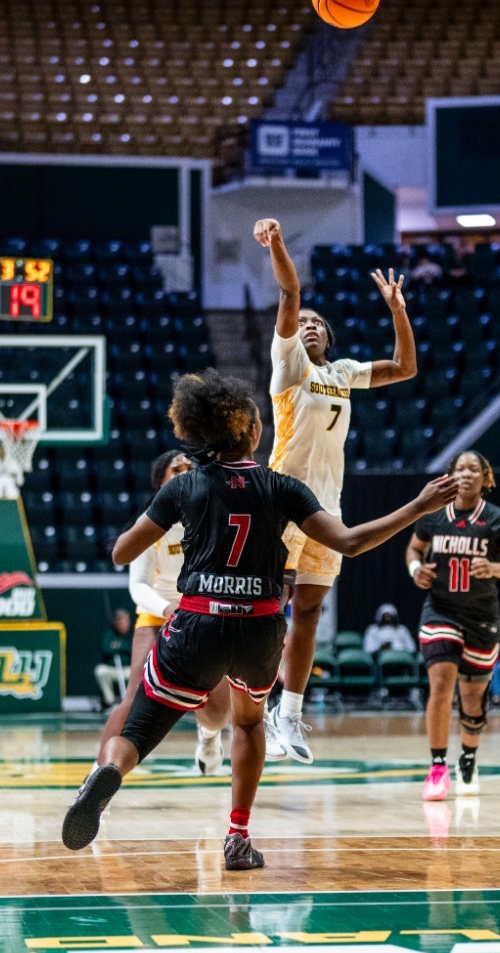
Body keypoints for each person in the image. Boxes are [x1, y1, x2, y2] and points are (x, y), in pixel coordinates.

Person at [66, 369, 452, 870]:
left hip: (197, 622)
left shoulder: (185, 487)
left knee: (140, 724)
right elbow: (352, 542)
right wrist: (418, 506)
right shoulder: (282, 487)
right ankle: (238, 838)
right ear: (251, 432)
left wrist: (167, 510)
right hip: (259, 628)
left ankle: (111, 770)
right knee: (248, 725)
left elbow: (121, 553)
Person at [255, 216, 418, 765]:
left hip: (326, 508)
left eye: (318, 323)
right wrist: (278, 242)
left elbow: (404, 367)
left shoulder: (344, 372)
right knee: (269, 610)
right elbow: (289, 290)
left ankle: (291, 713)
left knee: (310, 614)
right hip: (281, 501)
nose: (308, 326)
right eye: (300, 323)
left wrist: (397, 311)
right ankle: (258, 707)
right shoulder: (289, 369)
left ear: (330, 335)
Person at [406, 451, 500, 799]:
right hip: (440, 611)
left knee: (473, 701)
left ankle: (469, 757)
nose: (467, 474)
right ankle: (438, 767)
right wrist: (416, 571)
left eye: (475, 469)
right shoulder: (432, 517)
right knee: (441, 685)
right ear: (451, 475)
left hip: (482, 618)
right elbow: (414, 550)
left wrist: (495, 568)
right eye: (461, 468)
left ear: (485, 477)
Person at [118, 449, 234, 777]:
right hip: (158, 613)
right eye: (176, 468)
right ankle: (106, 773)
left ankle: (209, 736)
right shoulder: (150, 523)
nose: (185, 470)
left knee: (218, 710)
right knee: (134, 695)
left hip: (205, 613)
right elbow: (137, 586)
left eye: (189, 465)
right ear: (161, 483)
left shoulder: (218, 515)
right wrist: (168, 609)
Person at [94, 609, 135, 709]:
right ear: (115, 622)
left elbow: (131, 649)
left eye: (125, 621)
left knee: (137, 673)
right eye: (120, 621)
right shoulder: (109, 634)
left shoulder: (133, 634)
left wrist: (119, 646)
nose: (123, 624)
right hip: (112, 669)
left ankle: (130, 703)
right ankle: (110, 703)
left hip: (128, 669)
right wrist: (122, 648)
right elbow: (106, 649)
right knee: (100, 671)